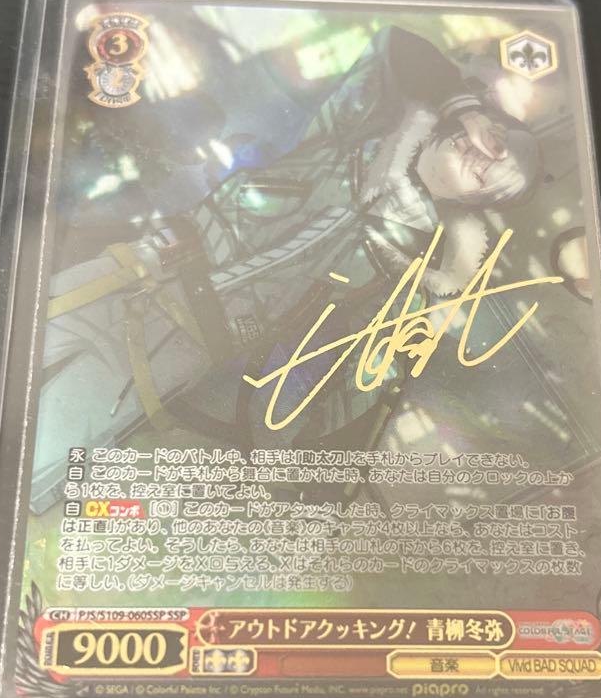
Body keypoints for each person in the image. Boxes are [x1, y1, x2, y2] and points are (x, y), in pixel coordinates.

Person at [30, 27, 543, 511]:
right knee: (7, 345)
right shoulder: (350, 134)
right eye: (488, 140)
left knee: (39, 445)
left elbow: (357, 383)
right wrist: (464, 104)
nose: (476, 152)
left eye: (488, 171)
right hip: (136, 266)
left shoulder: (405, 271)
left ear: (476, 202)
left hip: (177, 345)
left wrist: (299, 471)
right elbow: (394, 42)